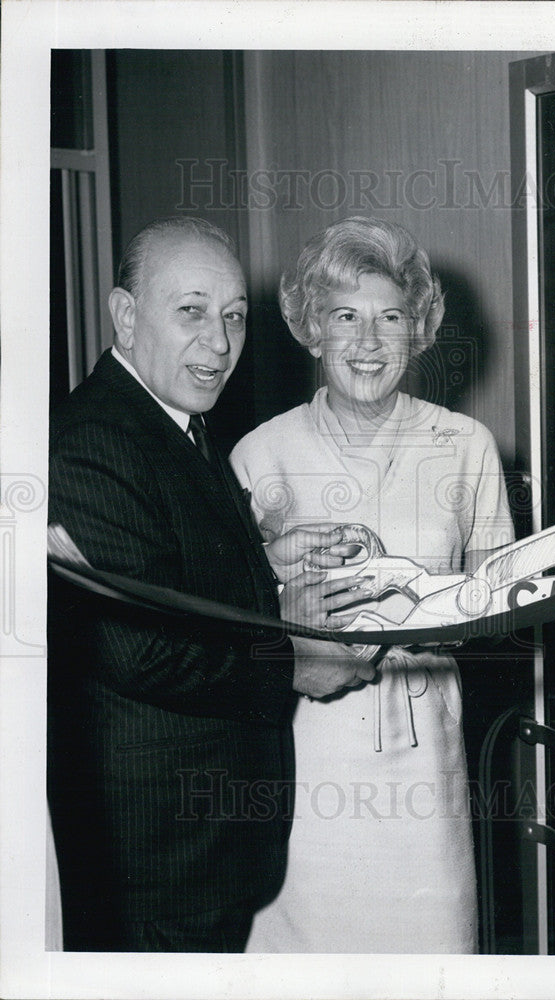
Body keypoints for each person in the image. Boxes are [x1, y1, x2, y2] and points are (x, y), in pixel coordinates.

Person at [47, 216, 373, 952]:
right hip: (154, 864)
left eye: (233, 317)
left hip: (200, 853)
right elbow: (142, 648)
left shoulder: (170, 423)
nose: (220, 344)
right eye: (191, 311)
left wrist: (266, 560)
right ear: (125, 316)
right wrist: (296, 662)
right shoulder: (89, 442)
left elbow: (167, 574)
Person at [231, 216, 514, 953]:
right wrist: (275, 577)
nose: (367, 341)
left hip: (425, 768)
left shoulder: (465, 447)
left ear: (417, 329)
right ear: (311, 329)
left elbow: (506, 605)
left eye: (389, 317)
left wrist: (435, 603)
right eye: (345, 317)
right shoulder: (262, 453)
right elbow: (227, 630)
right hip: (307, 768)